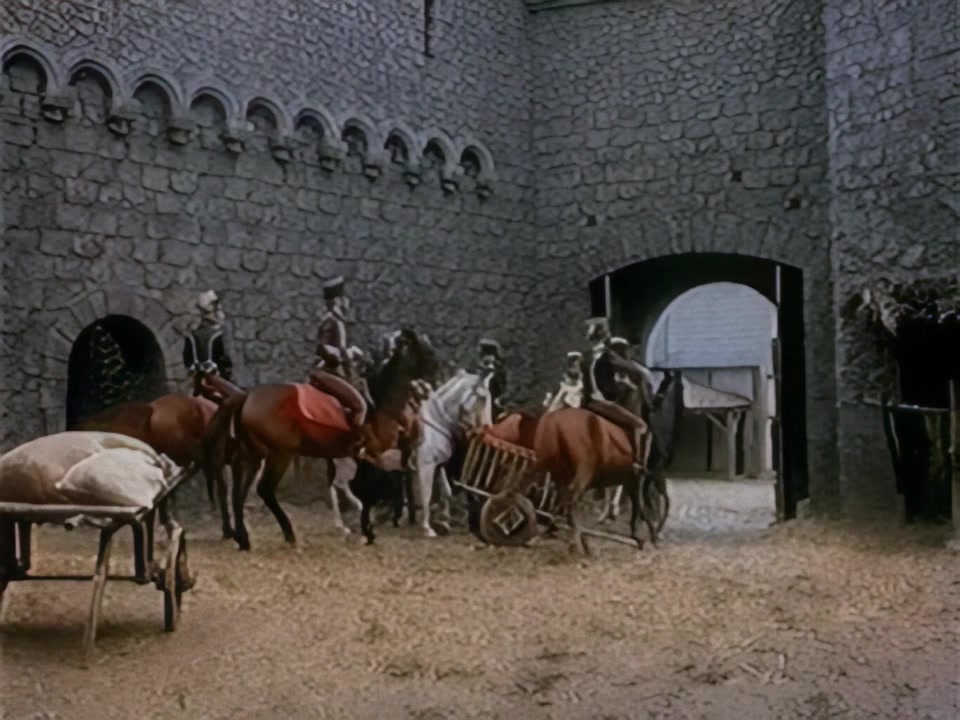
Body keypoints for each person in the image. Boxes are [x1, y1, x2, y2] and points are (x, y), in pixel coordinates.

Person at [579, 318, 651, 476]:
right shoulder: (607, 355)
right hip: (602, 402)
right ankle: (637, 463)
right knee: (641, 426)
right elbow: (631, 369)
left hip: (586, 402)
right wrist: (641, 373)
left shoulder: (585, 356)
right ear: (605, 335)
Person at [182, 290, 234, 394]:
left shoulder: (192, 335)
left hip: (197, 384)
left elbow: (187, 359)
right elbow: (225, 360)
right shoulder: (219, 335)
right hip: (217, 383)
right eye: (216, 307)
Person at [316, 276, 353, 380]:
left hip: (341, 368)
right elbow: (322, 346)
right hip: (331, 369)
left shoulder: (340, 320)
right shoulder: (330, 320)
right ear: (337, 301)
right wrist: (343, 353)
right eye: (343, 298)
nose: (347, 301)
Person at [477, 338, 508, 418]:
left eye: (486, 355)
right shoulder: (483, 368)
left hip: (493, 403)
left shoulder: (498, 370)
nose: (484, 358)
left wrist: (499, 400)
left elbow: (502, 387)